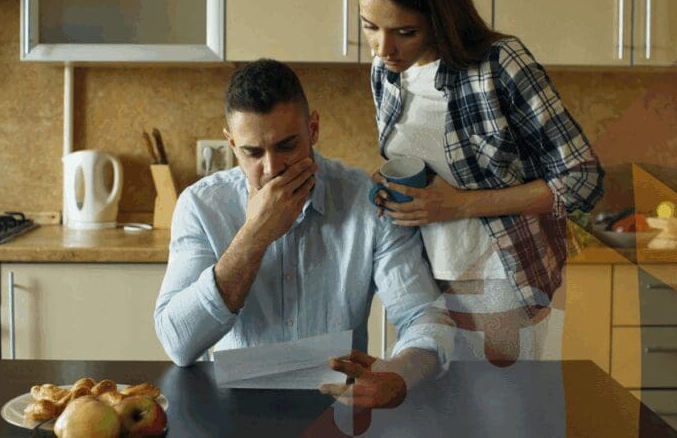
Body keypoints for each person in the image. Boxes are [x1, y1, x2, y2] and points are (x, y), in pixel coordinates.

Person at [354, 0, 604, 364]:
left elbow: (583, 180)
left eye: (404, 31)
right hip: (418, 277)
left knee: (499, 416)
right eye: (370, 26)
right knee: (433, 419)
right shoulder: (385, 73)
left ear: (440, 16)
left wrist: (461, 205)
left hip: (497, 277)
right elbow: (426, 166)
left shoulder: (500, 64)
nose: (383, 49)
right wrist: (393, 187)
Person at [155, 58, 453, 408]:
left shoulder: (368, 202)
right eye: (252, 152)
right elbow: (178, 343)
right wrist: (255, 235)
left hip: (338, 408)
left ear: (313, 129)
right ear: (232, 144)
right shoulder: (200, 206)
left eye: (286, 146)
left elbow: (425, 317)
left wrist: (399, 374)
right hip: (231, 409)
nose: (272, 168)